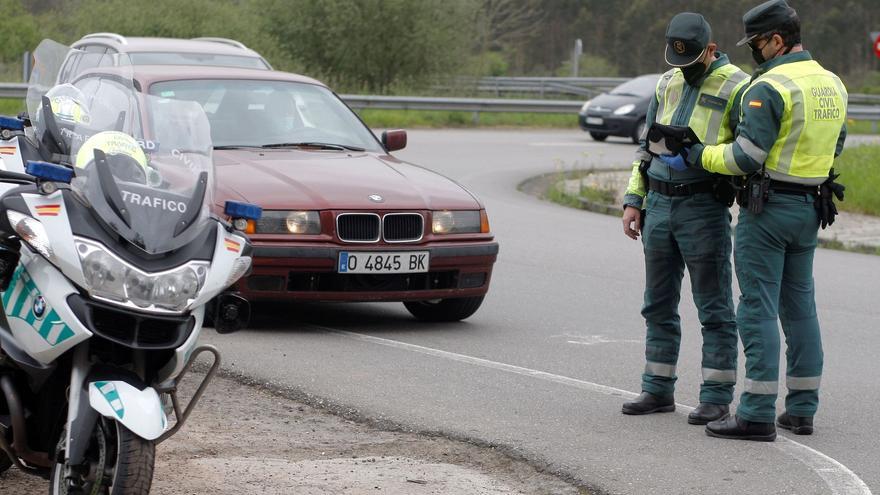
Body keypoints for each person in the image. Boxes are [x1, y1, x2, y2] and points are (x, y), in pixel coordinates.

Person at [664, 0, 848, 441]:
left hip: (767, 211)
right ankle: (802, 409)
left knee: (757, 308)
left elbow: (745, 156)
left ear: (776, 40)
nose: (753, 52)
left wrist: (698, 152)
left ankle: (757, 413)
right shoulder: (832, 83)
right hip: (810, 207)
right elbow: (836, 145)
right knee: (801, 308)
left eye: (757, 43)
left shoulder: (768, 87)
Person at [620, 12, 749, 425]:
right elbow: (645, 147)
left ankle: (715, 396)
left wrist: (700, 156)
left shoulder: (738, 85)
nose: (683, 69)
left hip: (702, 206)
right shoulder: (667, 81)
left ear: (710, 49)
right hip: (658, 204)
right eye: (677, 61)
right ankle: (657, 389)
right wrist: (633, 200)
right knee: (656, 304)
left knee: (714, 306)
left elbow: (745, 155)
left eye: (691, 61)